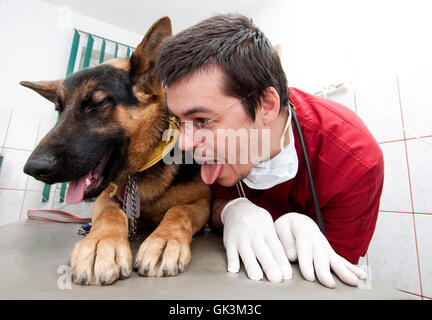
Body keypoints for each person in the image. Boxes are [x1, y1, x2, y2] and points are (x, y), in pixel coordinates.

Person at [155, 14, 384, 288]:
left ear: (266, 105)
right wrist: (231, 210)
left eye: (202, 120)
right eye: (179, 122)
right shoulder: (216, 151)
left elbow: (333, 277)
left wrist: (296, 232)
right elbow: (211, 205)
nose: (184, 144)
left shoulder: (354, 159)